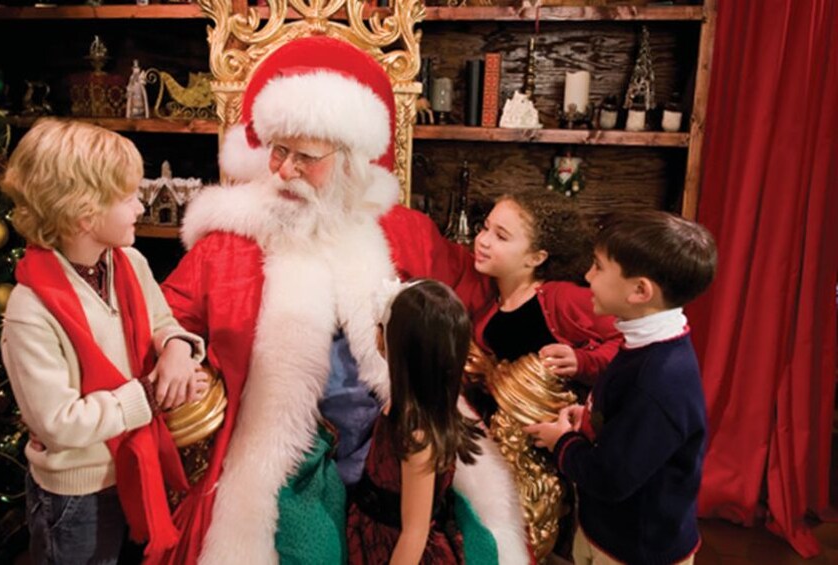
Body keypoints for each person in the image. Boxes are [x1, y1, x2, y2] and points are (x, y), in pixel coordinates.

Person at [161, 36, 528, 565]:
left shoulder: (404, 232)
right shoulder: (231, 240)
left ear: (350, 162)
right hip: (291, 458)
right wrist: (174, 343)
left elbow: (474, 289)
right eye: (278, 151)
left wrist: (527, 278)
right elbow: (170, 309)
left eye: (306, 158)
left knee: (482, 542)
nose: (285, 170)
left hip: (395, 446)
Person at [0, 119, 207, 564]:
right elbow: (59, 423)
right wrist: (151, 395)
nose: (139, 208)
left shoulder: (129, 262)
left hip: (137, 468)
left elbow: (162, 319)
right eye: (129, 197)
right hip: (77, 497)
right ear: (84, 213)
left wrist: (176, 349)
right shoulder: (30, 309)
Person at [525, 210, 717, 565]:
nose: (587, 276)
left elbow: (610, 477)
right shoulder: (648, 344)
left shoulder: (659, 381)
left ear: (640, 290)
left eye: (598, 267)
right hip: (610, 532)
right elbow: (631, 427)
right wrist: (590, 417)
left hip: (635, 550)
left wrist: (561, 441)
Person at [346, 280, 490, 564]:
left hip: (393, 547)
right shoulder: (404, 405)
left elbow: (414, 532)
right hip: (371, 527)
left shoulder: (418, 436)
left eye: (385, 325)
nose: (377, 329)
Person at [469, 190, 621, 403]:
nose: (483, 241)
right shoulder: (488, 299)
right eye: (484, 228)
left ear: (535, 258)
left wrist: (583, 362)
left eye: (501, 236)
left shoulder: (564, 298)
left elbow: (627, 339)